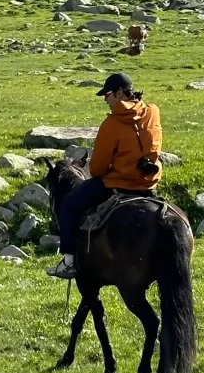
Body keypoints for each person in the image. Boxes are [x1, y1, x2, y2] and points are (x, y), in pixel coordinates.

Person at [47, 71, 162, 278]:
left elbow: (97, 170)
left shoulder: (111, 124)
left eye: (107, 95)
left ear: (119, 93)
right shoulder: (153, 112)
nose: (105, 100)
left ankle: (69, 262)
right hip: (149, 184)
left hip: (119, 184)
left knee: (70, 204)